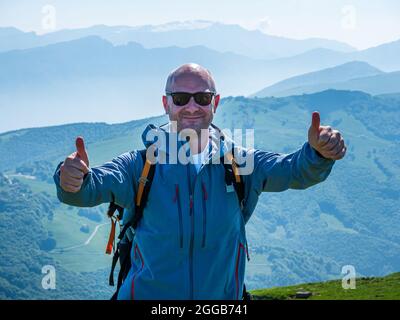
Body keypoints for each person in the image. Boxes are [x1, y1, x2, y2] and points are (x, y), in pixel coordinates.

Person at [53, 63, 346, 300]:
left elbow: (294, 170)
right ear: (166, 104)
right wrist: (70, 179)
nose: (191, 107)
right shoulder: (139, 166)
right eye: (180, 98)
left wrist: (318, 153)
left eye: (202, 98)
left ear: (215, 102)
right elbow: (91, 187)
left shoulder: (239, 163)